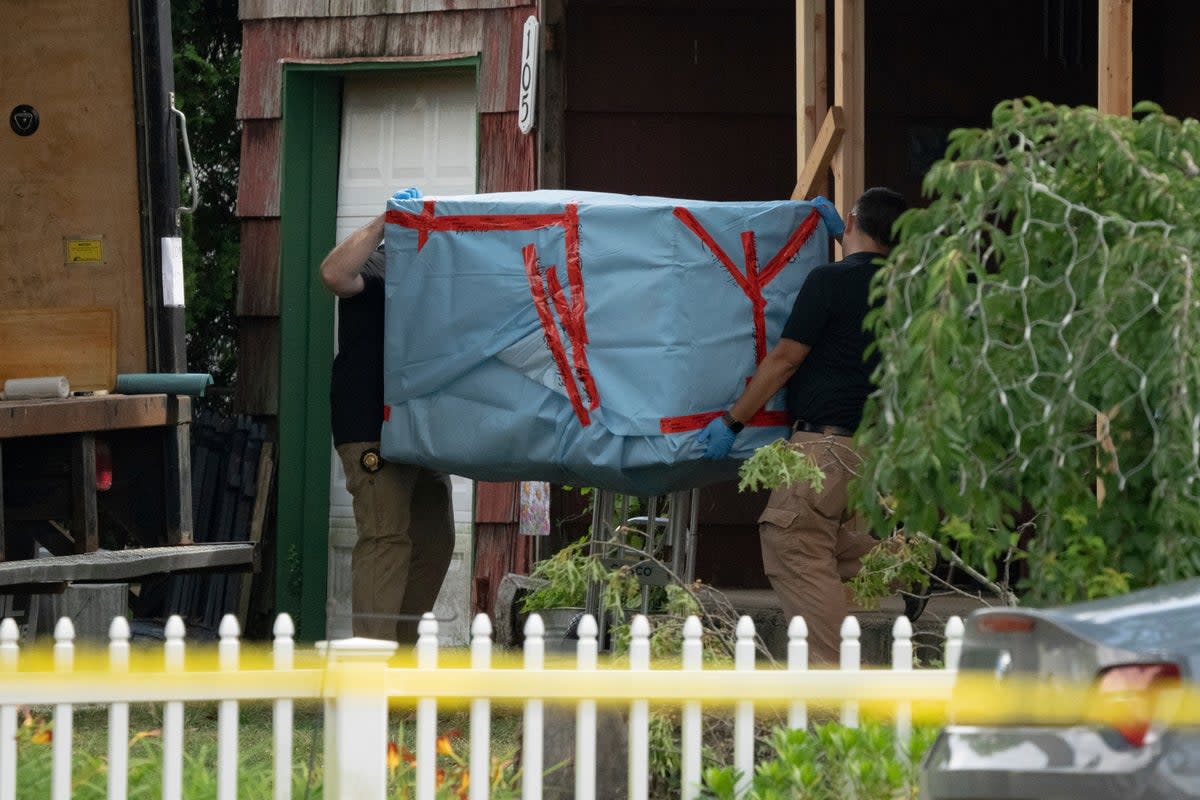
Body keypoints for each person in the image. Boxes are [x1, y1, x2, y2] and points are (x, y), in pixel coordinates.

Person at [696, 188, 908, 663]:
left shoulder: (828, 281)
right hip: (875, 452)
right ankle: (907, 561)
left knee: (792, 541)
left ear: (849, 220)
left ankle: (831, 676)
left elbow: (786, 359)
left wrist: (732, 421)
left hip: (824, 447)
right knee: (837, 547)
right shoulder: (909, 288)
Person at [320, 187, 455, 644]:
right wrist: (384, 219)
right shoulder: (377, 266)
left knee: (435, 541)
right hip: (370, 430)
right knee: (386, 539)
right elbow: (334, 273)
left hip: (419, 428)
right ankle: (370, 672)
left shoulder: (436, 282)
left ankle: (399, 653)